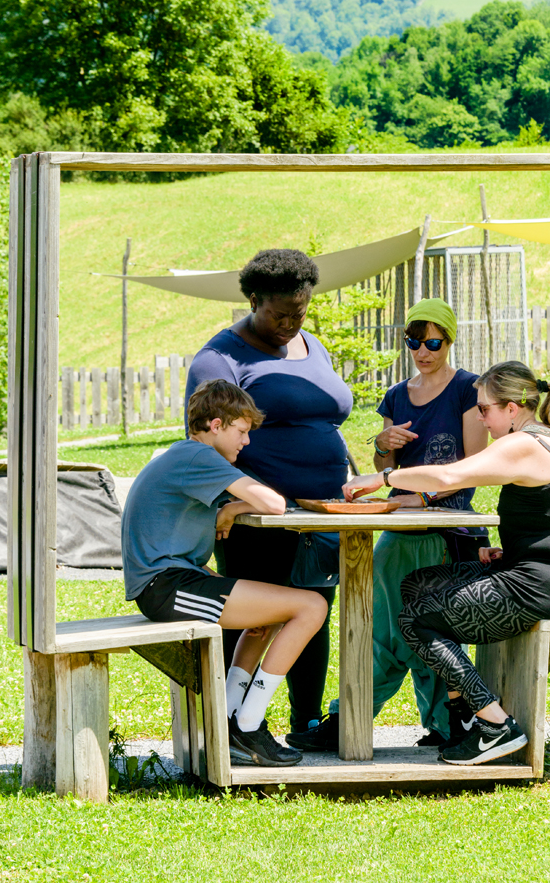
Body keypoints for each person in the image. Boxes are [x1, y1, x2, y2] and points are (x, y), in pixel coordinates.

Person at [342, 361, 550, 766]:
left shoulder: (524, 444)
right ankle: (462, 713)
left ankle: (496, 727)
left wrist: (384, 477)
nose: (481, 418)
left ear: (512, 408)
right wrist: (512, 552)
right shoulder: (547, 438)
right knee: (417, 584)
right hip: (544, 574)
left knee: (416, 619)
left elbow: (451, 478)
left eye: (485, 410)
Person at [286, 297, 488, 753]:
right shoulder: (396, 395)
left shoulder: (467, 389)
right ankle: (359, 719)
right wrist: (382, 443)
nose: (423, 350)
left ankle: (436, 723)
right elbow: (385, 465)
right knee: (384, 627)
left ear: (449, 339)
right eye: (414, 341)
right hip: (398, 530)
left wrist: (413, 496)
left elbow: (474, 468)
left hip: (446, 530)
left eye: (433, 341)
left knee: (425, 629)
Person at [184, 248, 353, 737]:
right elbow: (203, 445)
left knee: (314, 612)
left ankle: (306, 721)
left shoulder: (311, 345)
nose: (290, 323)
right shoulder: (219, 358)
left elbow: (326, 418)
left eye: (299, 312)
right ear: (253, 300)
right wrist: (231, 503)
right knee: (249, 624)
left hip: (320, 511)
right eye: (279, 314)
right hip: (257, 519)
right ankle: (223, 725)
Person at [122, 378, 327, 767]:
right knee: (312, 606)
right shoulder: (198, 458)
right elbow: (273, 503)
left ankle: (231, 715)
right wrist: (236, 506)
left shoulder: (186, 457)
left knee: (261, 624)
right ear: (216, 425)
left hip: (172, 579)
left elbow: (204, 514)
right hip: (165, 586)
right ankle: (248, 725)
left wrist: (228, 510)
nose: (246, 442)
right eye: (242, 431)